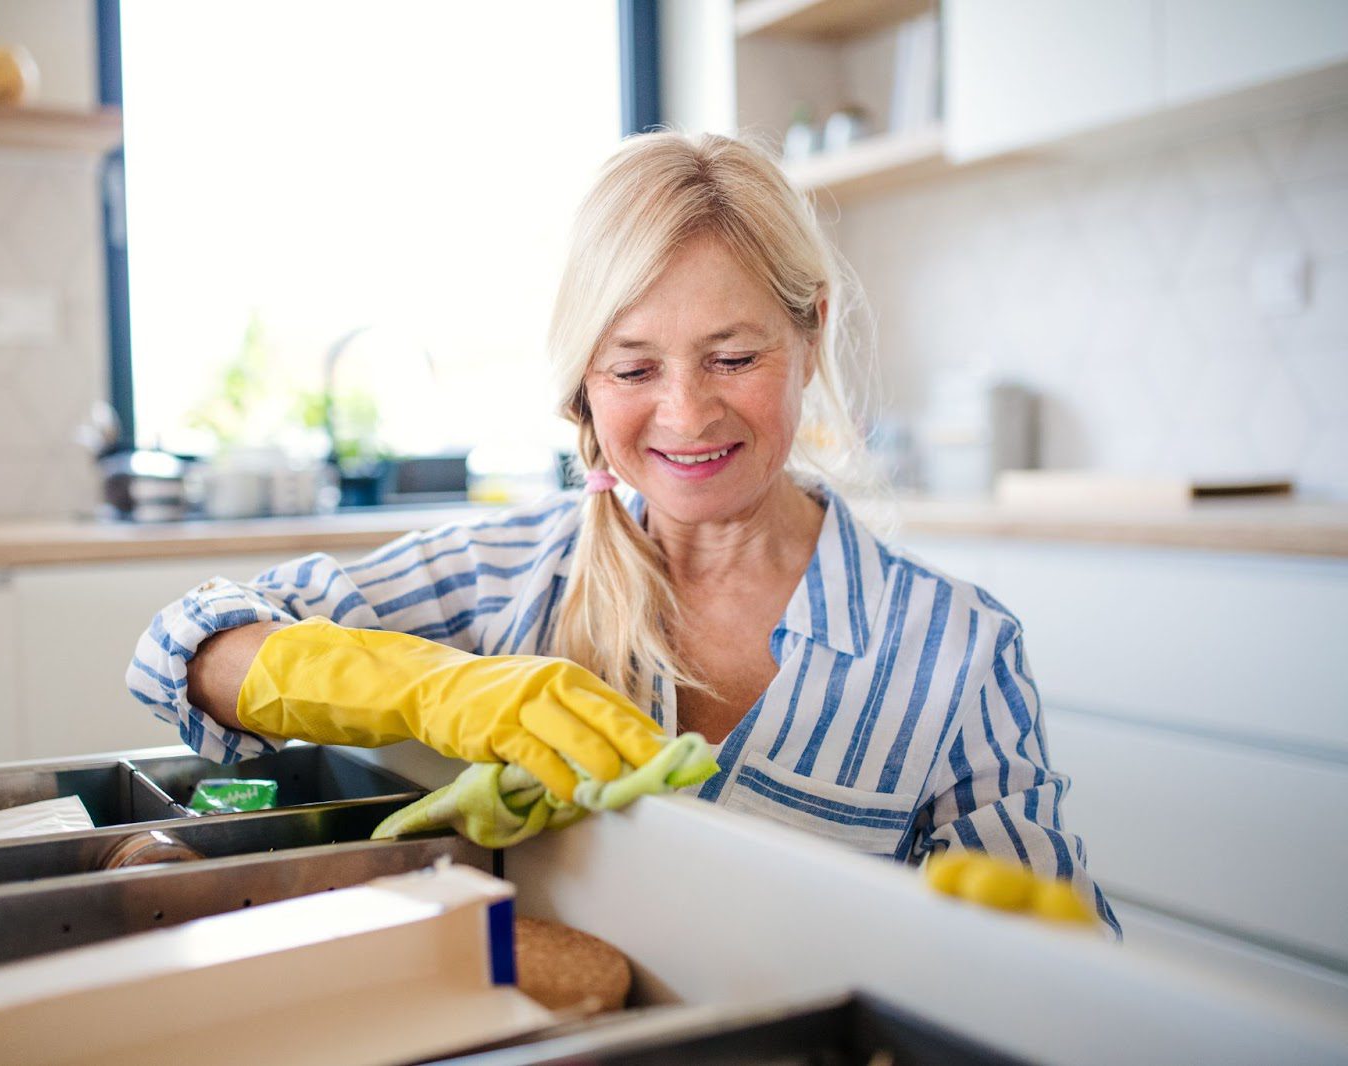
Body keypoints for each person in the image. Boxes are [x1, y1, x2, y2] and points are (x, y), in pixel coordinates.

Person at [128, 131, 1119, 933]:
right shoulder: (506, 577)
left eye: (731, 356)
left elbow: (1057, 973)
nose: (686, 416)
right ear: (582, 385)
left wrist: (1053, 969)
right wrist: (434, 689)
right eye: (634, 370)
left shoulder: (955, 651)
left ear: (810, 333)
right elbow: (185, 644)